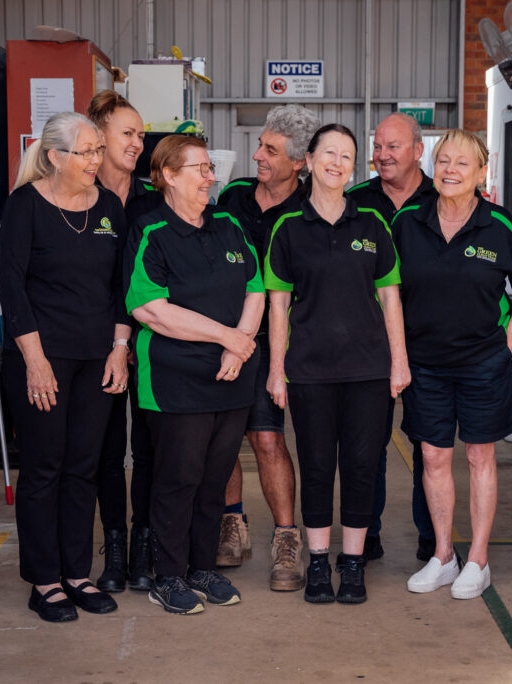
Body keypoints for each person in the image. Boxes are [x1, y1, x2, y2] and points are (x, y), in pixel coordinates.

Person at [265, 124, 410, 605]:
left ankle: (352, 566)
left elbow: (391, 300)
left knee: (363, 466)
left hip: (368, 370)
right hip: (308, 371)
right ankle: (320, 563)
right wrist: (276, 370)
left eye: (348, 155)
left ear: (355, 166)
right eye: (330, 152)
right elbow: (278, 306)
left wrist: (399, 364)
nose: (338, 162)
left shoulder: (372, 224)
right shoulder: (288, 228)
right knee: (318, 467)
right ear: (307, 159)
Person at [0, 111, 130, 622]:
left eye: (99, 150)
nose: (97, 159)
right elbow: (12, 288)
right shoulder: (25, 206)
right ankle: (44, 580)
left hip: (98, 359)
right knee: (44, 468)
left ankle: (77, 574)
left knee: (84, 468)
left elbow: (122, 288)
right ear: (55, 156)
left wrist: (120, 348)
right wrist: (34, 361)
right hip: (41, 359)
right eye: (88, 151)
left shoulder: (111, 209)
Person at [394, 129, 512, 600]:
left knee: (479, 456)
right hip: (425, 365)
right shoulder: (408, 223)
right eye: (444, 161)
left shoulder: (503, 228)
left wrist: (506, 348)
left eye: (462, 163)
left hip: (482, 364)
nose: (450, 170)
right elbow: (388, 292)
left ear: (482, 172)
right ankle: (443, 555)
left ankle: (478, 559)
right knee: (432, 457)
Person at [125, 135, 265, 615]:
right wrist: (228, 338)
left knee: (213, 479)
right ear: (168, 174)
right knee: (178, 479)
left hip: (231, 377)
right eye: (201, 168)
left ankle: (202, 567)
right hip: (174, 382)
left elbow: (255, 287)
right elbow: (151, 310)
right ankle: (168, 576)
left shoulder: (228, 224)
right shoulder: (151, 230)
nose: (211, 177)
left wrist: (241, 345)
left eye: (210, 167)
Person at [214, 104, 318, 591]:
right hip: (223, 336)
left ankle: (286, 538)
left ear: (299, 162)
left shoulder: (311, 207)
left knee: (268, 438)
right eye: (260, 144)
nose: (257, 155)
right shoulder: (232, 196)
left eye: (270, 150)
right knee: (224, 440)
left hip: (276, 343)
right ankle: (232, 524)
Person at [346, 112, 437, 562]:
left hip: (427, 340)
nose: (381, 155)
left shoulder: (445, 197)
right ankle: (367, 532)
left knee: (428, 443)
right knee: (368, 444)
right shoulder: (357, 200)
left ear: (418, 151)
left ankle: (431, 534)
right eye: (377, 147)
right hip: (368, 342)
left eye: (392, 147)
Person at [85, 90, 161, 593]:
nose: (137, 144)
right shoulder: (80, 197)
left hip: (153, 342)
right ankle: (113, 549)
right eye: (127, 134)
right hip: (100, 343)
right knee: (108, 451)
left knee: (152, 447)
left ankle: (144, 545)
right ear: (98, 137)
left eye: (140, 135)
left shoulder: (154, 201)